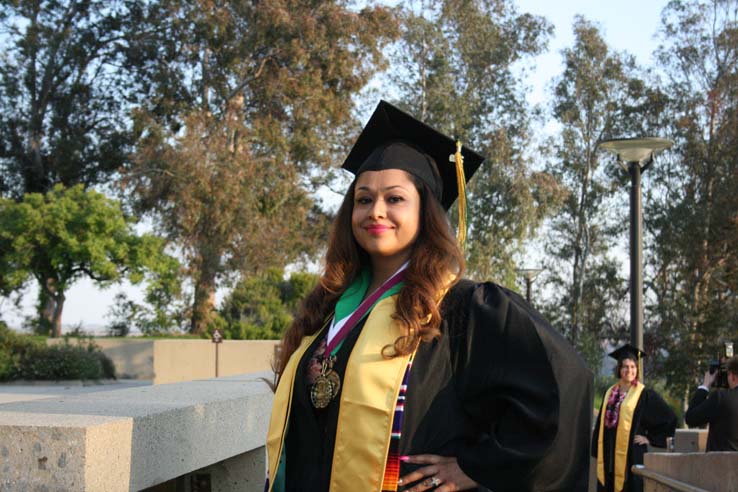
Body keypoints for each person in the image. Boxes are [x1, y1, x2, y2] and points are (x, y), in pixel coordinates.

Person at [265, 100, 594, 492]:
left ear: (427, 212)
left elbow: (566, 382)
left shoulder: (462, 309)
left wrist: (478, 467)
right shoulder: (328, 308)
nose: (376, 211)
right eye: (364, 199)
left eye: (395, 198)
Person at [591, 344, 677, 492]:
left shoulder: (644, 394)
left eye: (632, 366)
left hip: (631, 455)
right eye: (625, 366)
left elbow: (669, 417)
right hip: (609, 453)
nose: (629, 370)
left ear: (637, 369)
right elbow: (601, 423)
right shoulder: (609, 392)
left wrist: (650, 439)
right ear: (619, 369)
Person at [684, 355, 738, 451]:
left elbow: (691, 418)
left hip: (722, 464)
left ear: (733, 376)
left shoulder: (721, 398)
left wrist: (705, 386)